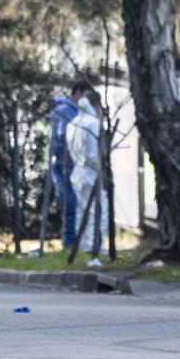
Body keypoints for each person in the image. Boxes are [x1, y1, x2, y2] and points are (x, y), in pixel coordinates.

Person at [48, 81, 93, 247]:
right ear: (77, 92)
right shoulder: (65, 112)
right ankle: (69, 242)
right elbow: (62, 138)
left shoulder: (71, 111)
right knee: (70, 203)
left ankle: (75, 242)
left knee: (75, 203)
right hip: (65, 164)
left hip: (71, 163)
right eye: (85, 96)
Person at [67, 89, 107, 267]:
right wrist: (100, 163)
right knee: (98, 210)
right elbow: (94, 152)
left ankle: (83, 244)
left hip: (77, 171)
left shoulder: (72, 123)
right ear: (96, 104)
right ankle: (95, 245)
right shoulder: (93, 124)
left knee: (82, 211)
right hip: (91, 171)